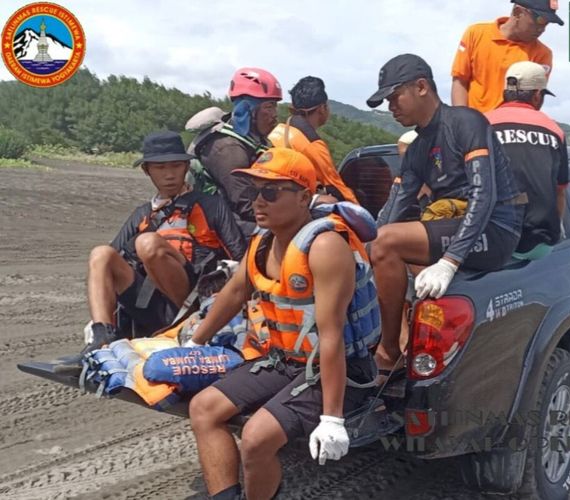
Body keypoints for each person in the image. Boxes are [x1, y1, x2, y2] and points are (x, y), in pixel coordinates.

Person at [187, 147, 380, 500]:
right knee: (203, 409)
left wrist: (333, 419)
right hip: (285, 359)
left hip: (337, 371)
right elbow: (233, 293)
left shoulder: (324, 247)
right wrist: (195, 343)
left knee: (256, 438)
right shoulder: (262, 241)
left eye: (271, 192)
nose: (258, 201)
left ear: (304, 196)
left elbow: (332, 334)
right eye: (254, 191)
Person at [366, 53, 525, 378]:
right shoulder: (415, 151)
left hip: (496, 230)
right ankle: (411, 345)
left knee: (387, 244)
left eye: (395, 97)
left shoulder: (466, 122)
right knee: (381, 247)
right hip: (455, 228)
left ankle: (388, 352)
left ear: (421, 86)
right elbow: (392, 213)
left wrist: (450, 260)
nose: (390, 107)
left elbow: (485, 194)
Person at [58, 131, 247, 369]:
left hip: (196, 305)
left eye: (176, 166)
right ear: (147, 170)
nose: (169, 174)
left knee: (147, 243)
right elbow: (111, 261)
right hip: (151, 306)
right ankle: (102, 340)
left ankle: (185, 325)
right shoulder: (143, 214)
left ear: (186, 166)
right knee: (100, 254)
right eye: (160, 167)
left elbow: (242, 259)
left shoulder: (211, 205)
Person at [485, 61, 568, 257]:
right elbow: (560, 192)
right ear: (537, 95)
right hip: (538, 243)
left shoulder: (482, 123)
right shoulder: (554, 131)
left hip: (490, 237)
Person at [193, 67, 282, 236]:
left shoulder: (256, 141)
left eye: (275, 107)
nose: (275, 115)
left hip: (242, 216)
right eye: (269, 107)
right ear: (249, 110)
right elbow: (246, 204)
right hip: (220, 224)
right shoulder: (227, 148)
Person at [451, 0, 563, 113]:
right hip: (474, 124)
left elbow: (535, 98)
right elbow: (460, 80)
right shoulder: (476, 33)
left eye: (547, 23)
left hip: (510, 126)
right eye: (539, 20)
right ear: (518, 12)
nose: (542, 29)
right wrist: (462, 121)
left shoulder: (542, 54)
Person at [269, 76, 358, 204]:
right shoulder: (311, 144)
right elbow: (336, 187)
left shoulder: (279, 131)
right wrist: (359, 213)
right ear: (322, 108)